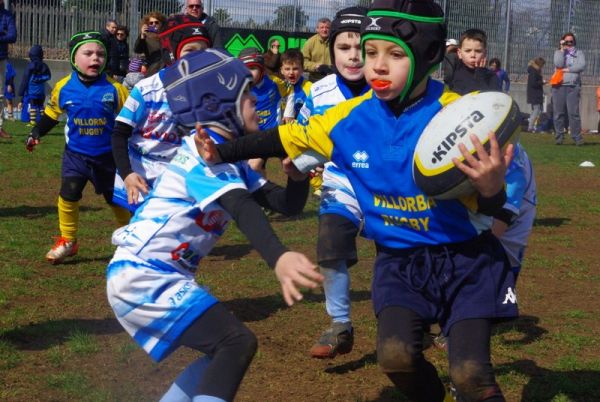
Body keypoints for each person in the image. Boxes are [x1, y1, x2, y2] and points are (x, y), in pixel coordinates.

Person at [197, 1, 518, 400]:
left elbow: (496, 207)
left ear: (431, 56)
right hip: (399, 265)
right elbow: (283, 137)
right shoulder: (346, 119)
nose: (377, 67)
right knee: (395, 357)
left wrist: (491, 189)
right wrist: (221, 152)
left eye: (395, 55)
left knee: (471, 374)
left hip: (466, 262)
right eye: (370, 53)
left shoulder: (461, 117)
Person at [106, 48, 322, 402]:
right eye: (248, 95)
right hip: (145, 275)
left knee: (225, 349)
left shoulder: (226, 156)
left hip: (149, 275)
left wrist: (296, 177)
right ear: (220, 105)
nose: (258, 101)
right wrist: (278, 257)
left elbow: (286, 205)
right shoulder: (201, 154)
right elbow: (240, 207)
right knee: (236, 343)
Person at [295, 6, 370, 359]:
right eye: (344, 47)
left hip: (391, 190)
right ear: (332, 50)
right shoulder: (319, 92)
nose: (354, 56)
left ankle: (430, 322)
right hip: (340, 183)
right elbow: (305, 139)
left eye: (362, 47)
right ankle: (340, 324)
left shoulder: (392, 86)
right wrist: (296, 163)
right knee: (329, 248)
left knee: (406, 256)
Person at [25, 31, 130, 264]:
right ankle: (68, 241)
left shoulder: (116, 89)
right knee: (69, 193)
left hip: (108, 158)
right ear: (74, 58)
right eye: (88, 53)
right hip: (76, 156)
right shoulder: (63, 87)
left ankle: (131, 240)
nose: (96, 58)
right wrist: (36, 132)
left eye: (101, 54)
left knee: (116, 200)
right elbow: (52, 114)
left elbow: (129, 120)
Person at [111, 15, 212, 212]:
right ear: (172, 53)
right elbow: (118, 134)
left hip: (175, 177)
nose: (196, 58)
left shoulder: (208, 93)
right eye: (190, 50)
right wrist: (127, 174)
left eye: (203, 52)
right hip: (139, 175)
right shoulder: (147, 89)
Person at [492, 143, 536, 283]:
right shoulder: (507, 142)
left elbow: (501, 220)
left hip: (500, 256)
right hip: (499, 251)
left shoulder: (509, 152)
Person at [552, 32, 585, 146]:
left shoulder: (579, 53)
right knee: (558, 113)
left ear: (574, 42)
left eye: (571, 41)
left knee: (573, 113)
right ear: (562, 41)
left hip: (573, 85)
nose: (569, 44)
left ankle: (577, 137)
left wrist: (568, 70)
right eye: (567, 41)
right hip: (558, 86)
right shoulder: (558, 52)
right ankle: (559, 136)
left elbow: (581, 66)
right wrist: (562, 49)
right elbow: (559, 64)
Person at [447, 28, 498, 94]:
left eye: (478, 51)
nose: (473, 55)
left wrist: (480, 76)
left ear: (485, 53)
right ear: (459, 53)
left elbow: (493, 99)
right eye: (468, 51)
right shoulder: (454, 75)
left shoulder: (491, 76)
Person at [17, 44, 51, 126]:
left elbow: (25, 79)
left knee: (33, 106)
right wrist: (40, 79)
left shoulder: (31, 66)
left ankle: (32, 122)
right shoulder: (44, 66)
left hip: (32, 91)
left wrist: (20, 92)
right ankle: (43, 122)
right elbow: (49, 76)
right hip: (41, 91)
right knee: (41, 106)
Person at [0, 0, 16, 138]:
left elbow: (13, 36)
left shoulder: (7, 16)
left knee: (0, 95)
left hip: (1, 58)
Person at [134, 11, 166, 77]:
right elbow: (137, 50)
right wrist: (142, 35)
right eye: (151, 23)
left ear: (161, 23)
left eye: (156, 22)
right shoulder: (146, 37)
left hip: (167, 69)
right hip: (153, 70)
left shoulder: (166, 35)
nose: (154, 24)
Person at [302, 17, 332, 82]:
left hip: (332, 79)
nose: (324, 30)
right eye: (322, 27)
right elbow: (303, 62)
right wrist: (316, 66)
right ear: (317, 29)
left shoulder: (336, 42)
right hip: (315, 80)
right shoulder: (309, 42)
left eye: (327, 27)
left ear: (331, 29)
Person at [526, 57, 545, 132]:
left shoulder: (534, 70)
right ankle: (530, 127)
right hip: (535, 94)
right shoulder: (534, 71)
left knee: (536, 110)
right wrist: (542, 82)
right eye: (542, 65)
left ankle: (532, 126)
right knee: (536, 110)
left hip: (535, 94)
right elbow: (533, 83)